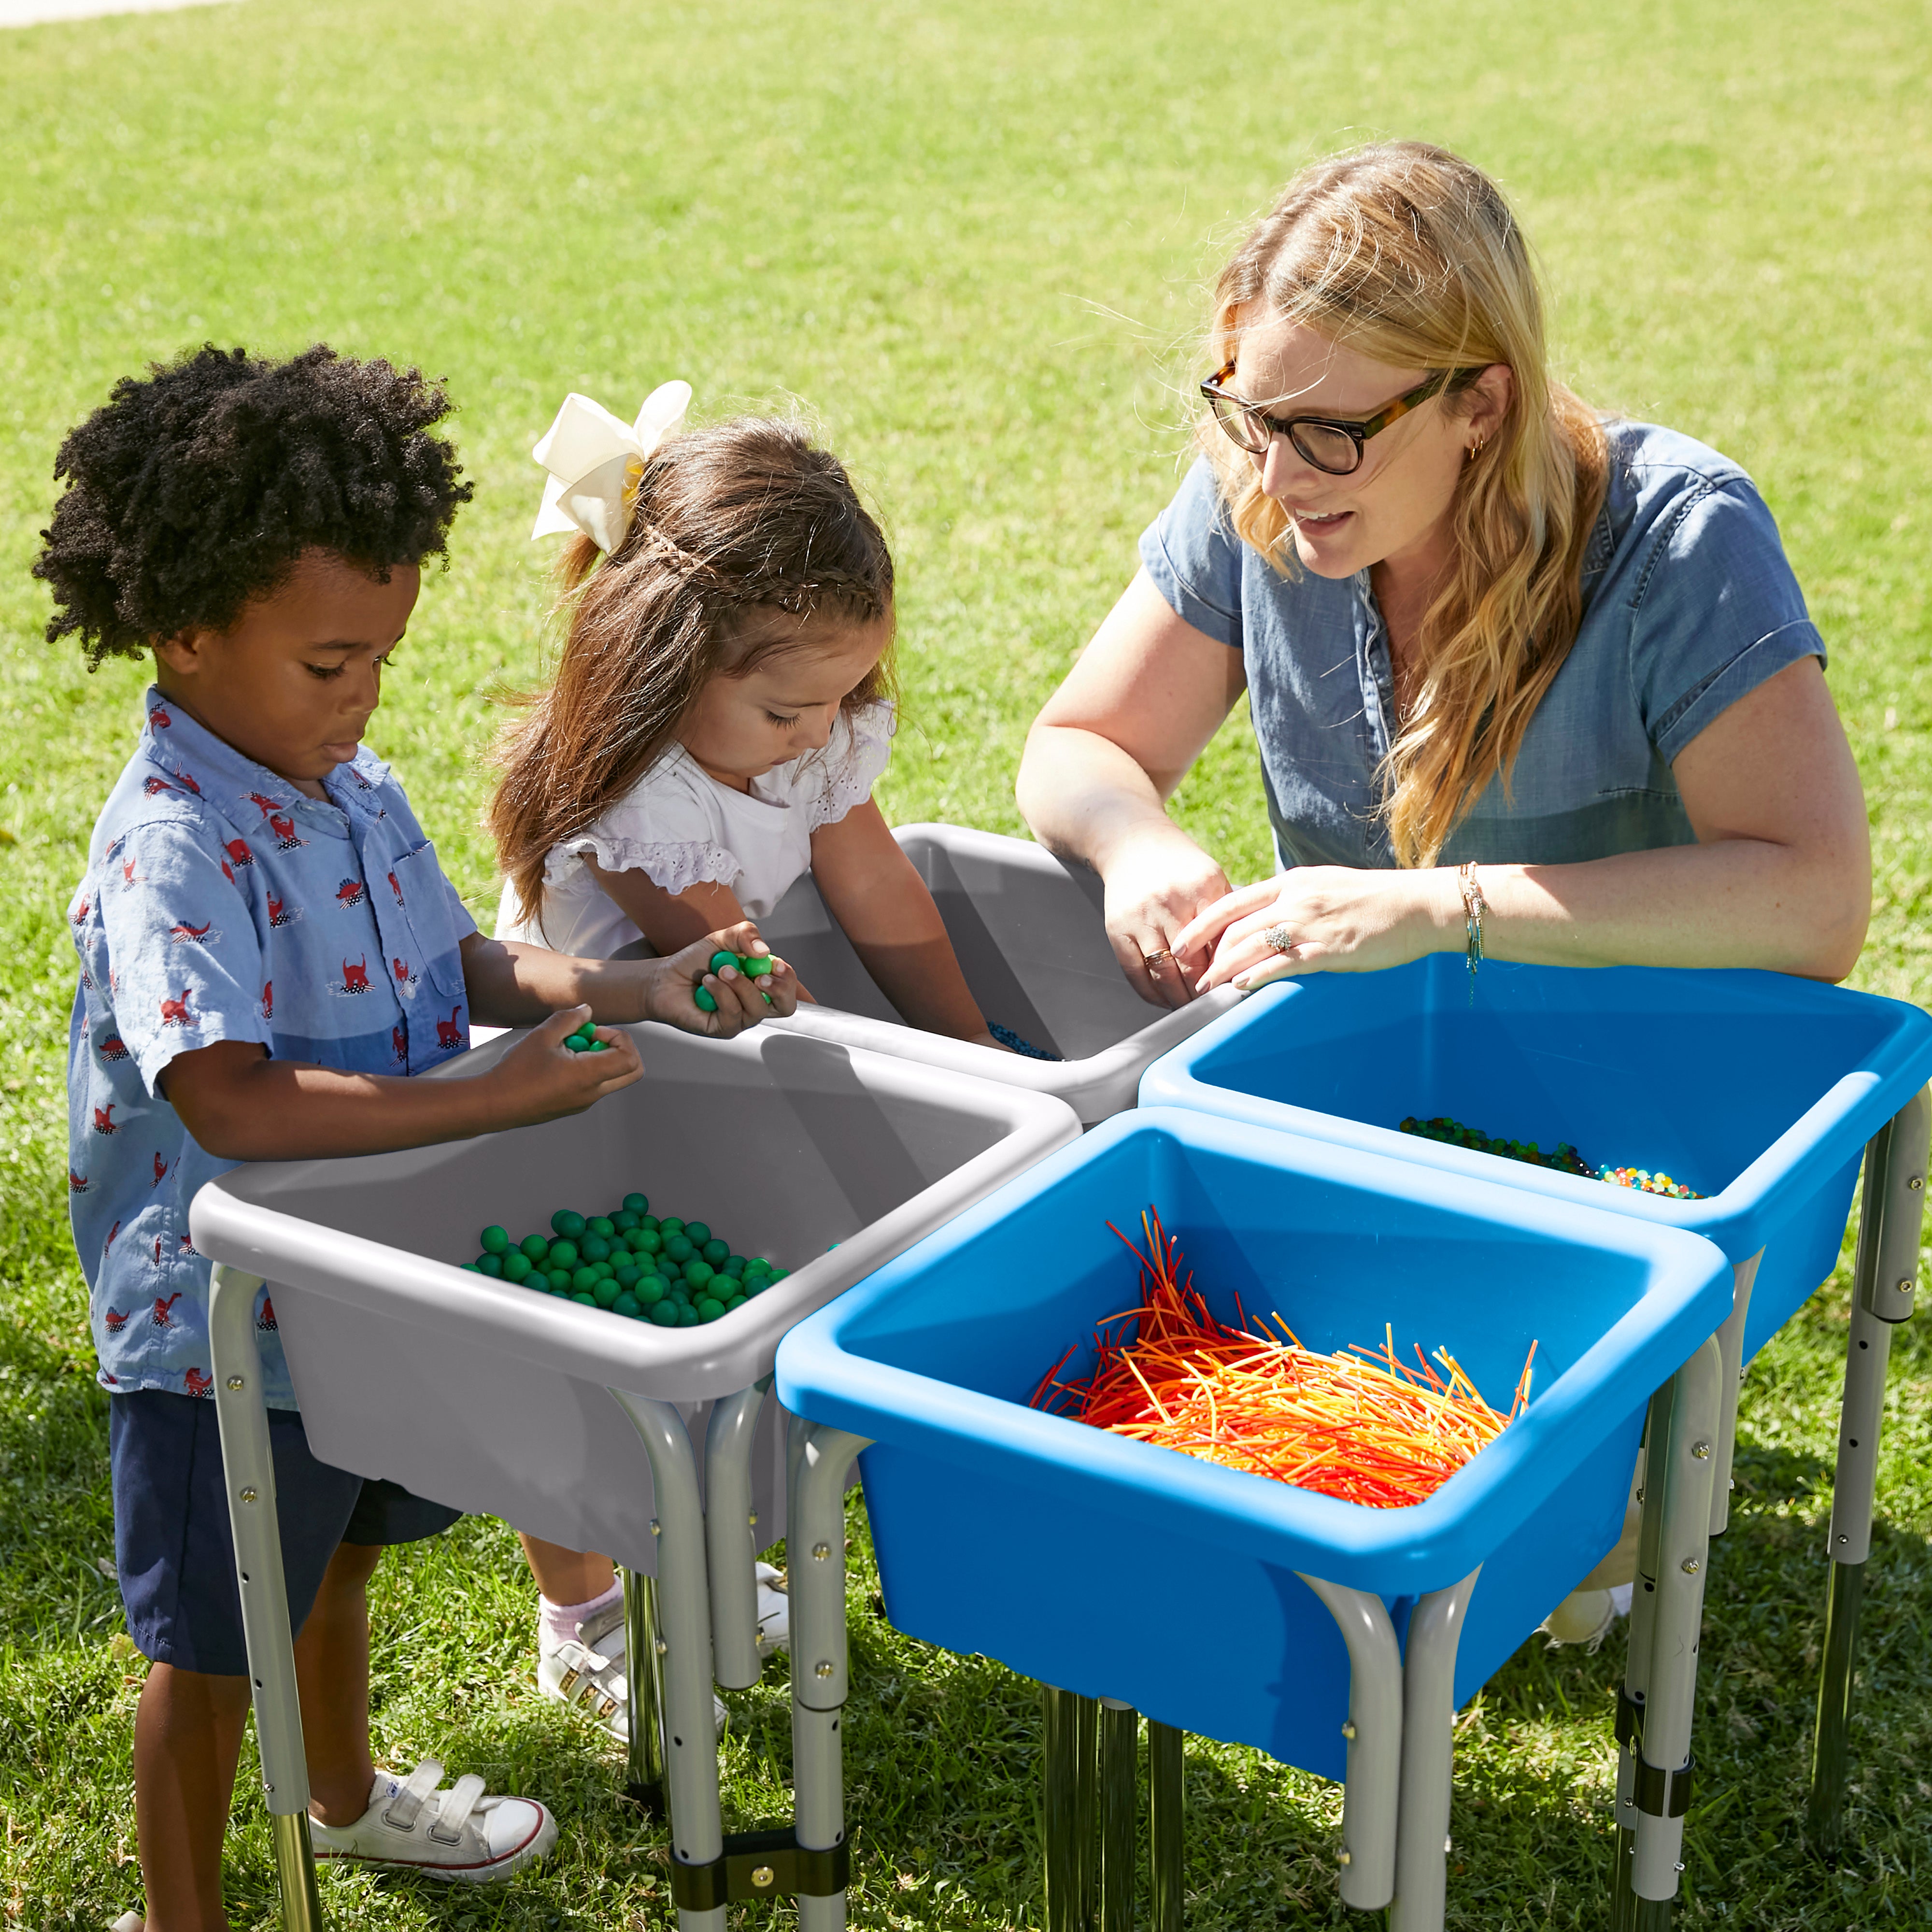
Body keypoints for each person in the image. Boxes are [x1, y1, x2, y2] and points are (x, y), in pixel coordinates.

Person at [1015, 141, 1870, 1639]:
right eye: (1252, 414)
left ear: (1481, 402)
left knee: (1550, 1573)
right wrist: (1135, 846)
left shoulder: (1678, 539)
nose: (1278, 479)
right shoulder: (1268, 496)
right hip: (1367, 1097)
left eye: (1332, 432)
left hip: (1628, 1135)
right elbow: (1080, 744)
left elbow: (1812, 899)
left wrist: (1446, 906)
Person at [39, 345, 795, 1930]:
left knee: (337, 1562)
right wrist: (487, 1098)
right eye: (330, 663)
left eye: (379, 656)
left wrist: (632, 982)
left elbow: (457, 964)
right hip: (214, 1330)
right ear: (184, 635)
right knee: (209, 1648)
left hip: (352, 1296)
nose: (364, 695)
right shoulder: (173, 844)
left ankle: (341, 1800)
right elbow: (229, 1099)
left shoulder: (348, 779)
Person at [488, 388, 1033, 1738]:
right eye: (793, 706)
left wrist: (976, 1049)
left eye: (845, 700)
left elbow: (881, 893)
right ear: (670, 665)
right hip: (598, 1080)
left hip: (723, 1070)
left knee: (719, 1318)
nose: (823, 733)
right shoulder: (633, 799)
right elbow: (727, 957)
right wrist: (913, 1079)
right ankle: (584, 1610)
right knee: (591, 1355)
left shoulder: (807, 738)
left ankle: (698, 1554)